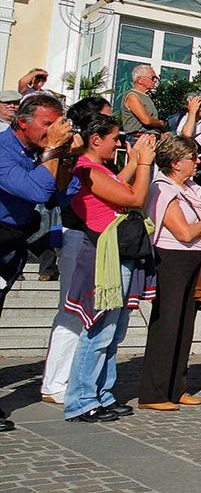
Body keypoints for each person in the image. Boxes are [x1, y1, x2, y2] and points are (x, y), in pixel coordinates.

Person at [61, 119, 156, 424]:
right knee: (99, 332)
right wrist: (143, 164)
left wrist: (132, 163)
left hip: (121, 252)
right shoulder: (86, 169)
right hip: (107, 254)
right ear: (95, 139)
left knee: (113, 332)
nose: (118, 143)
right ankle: (81, 400)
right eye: (114, 139)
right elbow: (134, 198)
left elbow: (118, 185)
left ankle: (102, 393)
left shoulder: (100, 170)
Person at [139, 134, 201, 411]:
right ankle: (155, 392)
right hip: (172, 258)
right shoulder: (163, 188)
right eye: (191, 158)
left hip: (195, 256)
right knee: (167, 323)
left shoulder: (191, 187)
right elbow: (184, 232)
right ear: (175, 162)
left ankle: (177, 387)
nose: (196, 162)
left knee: (185, 324)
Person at [0, 93, 74, 431]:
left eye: (58, 123)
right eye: (48, 124)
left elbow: (63, 192)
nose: (53, 130)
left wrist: (66, 155)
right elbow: (33, 191)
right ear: (22, 122)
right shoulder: (3, 150)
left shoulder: (37, 152)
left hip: (11, 245)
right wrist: (52, 151)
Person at [38, 96, 113, 404]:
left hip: (90, 237)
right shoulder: (73, 156)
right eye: (106, 119)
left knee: (81, 312)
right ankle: (54, 383)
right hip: (76, 234)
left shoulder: (94, 161)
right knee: (71, 311)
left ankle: (70, 378)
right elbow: (58, 192)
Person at [120, 64, 166, 138]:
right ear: (140, 80)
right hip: (139, 138)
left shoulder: (146, 97)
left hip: (149, 137)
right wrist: (161, 123)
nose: (155, 80)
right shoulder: (132, 96)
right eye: (153, 77)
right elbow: (146, 120)